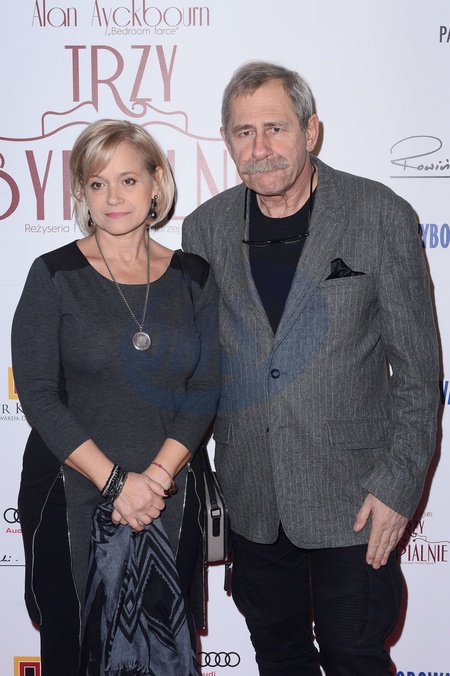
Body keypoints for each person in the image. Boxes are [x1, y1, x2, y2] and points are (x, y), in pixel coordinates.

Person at [182, 61, 439, 675]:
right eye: (244, 132)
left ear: (311, 131)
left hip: (356, 498)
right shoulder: (204, 230)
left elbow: (418, 370)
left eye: (275, 128)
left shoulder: (379, 214)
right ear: (226, 141)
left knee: (355, 657)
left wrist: (397, 486)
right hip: (252, 498)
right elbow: (198, 367)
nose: (260, 147)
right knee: (279, 658)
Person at [12, 119, 221, 675]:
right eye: (97, 183)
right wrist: (115, 484)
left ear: (156, 184)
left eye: (128, 180)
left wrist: (153, 480)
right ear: (82, 192)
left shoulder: (194, 277)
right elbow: (37, 394)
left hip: (168, 494)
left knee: (164, 653)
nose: (113, 197)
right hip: (70, 494)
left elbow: (205, 386)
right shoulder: (53, 275)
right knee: (73, 649)